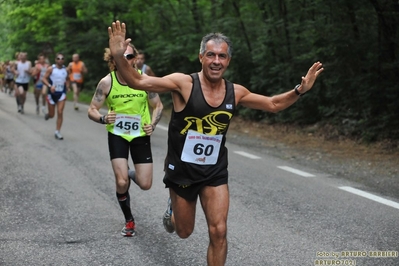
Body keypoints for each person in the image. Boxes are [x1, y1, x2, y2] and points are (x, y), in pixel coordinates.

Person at [108, 21, 324, 266]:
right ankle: (173, 209)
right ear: (201, 57)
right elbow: (139, 82)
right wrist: (118, 54)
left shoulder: (236, 92)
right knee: (184, 231)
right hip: (182, 170)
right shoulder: (183, 83)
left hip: (214, 170)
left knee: (219, 231)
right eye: (211, 54)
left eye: (222, 56)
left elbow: (273, 104)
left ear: (228, 61)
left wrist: (299, 90)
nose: (216, 61)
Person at [88, 44, 163, 237]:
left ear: (136, 58)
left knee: (145, 184)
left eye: (130, 56)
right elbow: (92, 110)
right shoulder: (107, 82)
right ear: (113, 61)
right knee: (121, 182)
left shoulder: (144, 80)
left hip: (140, 135)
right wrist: (104, 118)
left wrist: (153, 125)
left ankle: (130, 172)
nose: (126, 60)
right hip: (118, 134)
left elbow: (158, 105)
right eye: (121, 56)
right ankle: (129, 220)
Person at [42, 53, 70, 140]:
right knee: (52, 115)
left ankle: (57, 132)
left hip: (61, 93)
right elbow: (43, 79)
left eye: (62, 58)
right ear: (55, 60)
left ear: (64, 60)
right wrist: (50, 86)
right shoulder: (51, 69)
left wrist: (68, 87)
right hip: (52, 94)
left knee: (60, 111)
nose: (60, 60)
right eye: (58, 58)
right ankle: (48, 115)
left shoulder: (66, 69)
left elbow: (68, 79)